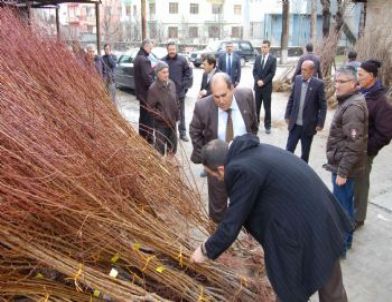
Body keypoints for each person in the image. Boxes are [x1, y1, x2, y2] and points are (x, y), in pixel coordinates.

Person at [191, 134, 351, 302]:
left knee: (289, 286)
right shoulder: (251, 151)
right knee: (331, 284)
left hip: (303, 225)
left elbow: (231, 224)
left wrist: (204, 250)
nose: (218, 179)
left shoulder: (241, 169)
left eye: (214, 175)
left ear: (221, 169)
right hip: (320, 214)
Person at [189, 73, 258, 224]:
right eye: (216, 96)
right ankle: (217, 237)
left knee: (247, 202)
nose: (220, 101)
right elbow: (194, 131)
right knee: (218, 209)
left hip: (245, 164)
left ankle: (249, 233)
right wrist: (207, 159)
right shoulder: (202, 106)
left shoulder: (246, 96)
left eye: (223, 95)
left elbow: (253, 125)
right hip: (218, 166)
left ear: (232, 88)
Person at [324, 66, 368, 252]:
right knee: (343, 205)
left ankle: (341, 245)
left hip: (344, 169)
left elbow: (354, 144)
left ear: (354, 84)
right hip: (341, 165)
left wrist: (342, 172)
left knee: (342, 208)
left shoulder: (353, 108)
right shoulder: (349, 101)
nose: (337, 85)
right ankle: (343, 241)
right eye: (336, 80)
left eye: (342, 82)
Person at [354, 60, 392, 228]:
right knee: (352, 184)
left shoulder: (381, 101)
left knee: (361, 184)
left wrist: (367, 149)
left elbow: (385, 133)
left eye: (361, 74)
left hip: (365, 151)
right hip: (352, 149)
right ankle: (349, 212)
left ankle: (358, 218)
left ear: (371, 76)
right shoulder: (362, 92)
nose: (358, 77)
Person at [284, 60, 327, 163]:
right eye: (301, 69)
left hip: (308, 126)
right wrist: (287, 115)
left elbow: (323, 106)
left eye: (304, 70)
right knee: (288, 151)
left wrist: (320, 123)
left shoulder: (318, 84)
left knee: (305, 153)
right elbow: (291, 98)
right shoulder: (297, 80)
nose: (302, 72)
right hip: (294, 124)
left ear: (312, 71)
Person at [146, 61, 179, 157]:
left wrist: (177, 114)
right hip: (161, 125)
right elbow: (150, 108)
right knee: (160, 150)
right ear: (157, 73)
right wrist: (162, 116)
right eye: (164, 72)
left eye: (167, 72)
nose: (166, 74)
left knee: (172, 148)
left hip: (172, 123)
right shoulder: (153, 88)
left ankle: (169, 167)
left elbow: (176, 100)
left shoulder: (172, 84)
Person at [162, 41, 192, 142]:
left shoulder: (182, 60)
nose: (172, 52)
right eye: (170, 50)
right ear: (167, 50)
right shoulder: (162, 61)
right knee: (168, 114)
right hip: (166, 94)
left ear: (176, 49)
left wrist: (183, 86)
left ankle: (182, 133)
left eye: (173, 49)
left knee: (181, 114)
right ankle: (170, 134)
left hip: (179, 93)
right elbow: (157, 76)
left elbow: (188, 74)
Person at [253, 40, 277, 134]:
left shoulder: (273, 59)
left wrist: (263, 81)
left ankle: (267, 126)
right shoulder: (258, 58)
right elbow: (254, 71)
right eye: (262, 47)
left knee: (267, 107)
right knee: (256, 107)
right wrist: (257, 80)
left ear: (269, 48)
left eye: (265, 47)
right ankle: (256, 124)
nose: (263, 49)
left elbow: (272, 73)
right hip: (257, 87)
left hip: (267, 87)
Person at [133, 39, 155, 143]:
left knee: (143, 116)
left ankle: (142, 136)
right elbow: (147, 78)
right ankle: (148, 139)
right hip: (147, 94)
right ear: (145, 46)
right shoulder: (144, 59)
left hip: (140, 93)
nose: (151, 50)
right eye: (150, 48)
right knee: (148, 117)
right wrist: (155, 89)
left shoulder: (138, 57)